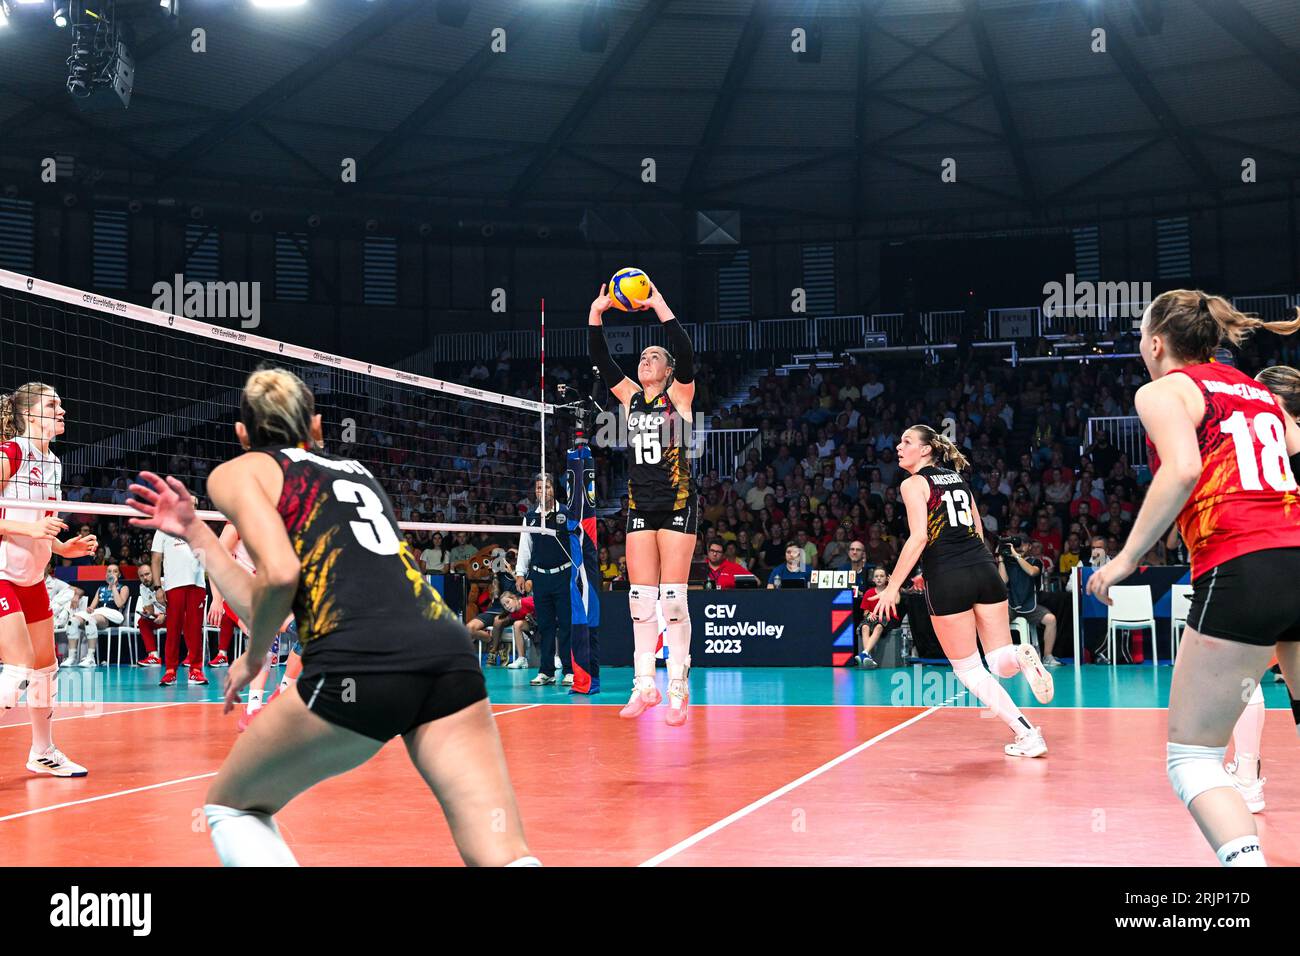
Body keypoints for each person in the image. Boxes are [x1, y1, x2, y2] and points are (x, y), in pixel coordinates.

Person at [127, 366, 535, 867]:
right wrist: (196, 532)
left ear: (242, 434)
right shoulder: (357, 472)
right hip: (446, 654)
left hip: (358, 665)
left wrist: (252, 661)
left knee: (232, 807)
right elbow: (271, 593)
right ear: (317, 428)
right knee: (503, 855)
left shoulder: (241, 470)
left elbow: (278, 577)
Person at [1087, 291, 1300, 867]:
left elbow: (1183, 468)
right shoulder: (1256, 389)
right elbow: (1293, 444)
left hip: (1242, 563)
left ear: (1156, 342)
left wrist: (1126, 558)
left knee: (1193, 758)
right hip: (1296, 547)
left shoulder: (1163, 390)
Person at [874, 425, 1054, 757]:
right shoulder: (958, 480)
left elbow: (919, 538)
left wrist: (892, 588)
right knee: (1000, 660)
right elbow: (977, 527)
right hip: (983, 569)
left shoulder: (912, 483)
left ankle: (1028, 734)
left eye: (907, 442)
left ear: (926, 450)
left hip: (947, 576)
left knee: (970, 669)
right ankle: (1021, 654)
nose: (898, 447)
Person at [589, 280, 698, 726]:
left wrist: (658, 305)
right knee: (640, 599)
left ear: (668, 370)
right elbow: (600, 359)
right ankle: (644, 685)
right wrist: (597, 313)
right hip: (638, 504)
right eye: (642, 356)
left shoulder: (680, 396)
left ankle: (678, 686)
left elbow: (686, 351)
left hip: (677, 502)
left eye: (654, 356)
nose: (645, 359)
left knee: (673, 601)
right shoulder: (631, 396)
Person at [0, 382, 98, 777]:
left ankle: (43, 752)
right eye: (52, 403)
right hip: (2, 575)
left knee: (44, 668)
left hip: (32, 577)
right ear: (30, 414)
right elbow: (21, 528)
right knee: (20, 668)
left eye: (60, 402)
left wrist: (62, 549)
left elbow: (36, 524)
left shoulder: (54, 463)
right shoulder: (11, 453)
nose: (62, 409)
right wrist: (32, 534)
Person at [1216, 364, 1300, 815]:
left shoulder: (1267, 443)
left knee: (1241, 675)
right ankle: (1246, 776)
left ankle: (1247, 778)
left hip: (1277, 572)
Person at [515, 474, 573, 686]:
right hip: (540, 578)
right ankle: (546, 670)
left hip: (564, 576)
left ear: (553, 490)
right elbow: (525, 547)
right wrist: (521, 573)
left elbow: (577, 544)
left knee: (566, 625)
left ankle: (569, 669)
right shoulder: (530, 517)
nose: (542, 491)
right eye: (539, 488)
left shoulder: (566, 513)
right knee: (546, 626)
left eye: (546, 487)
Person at [152, 504, 208, 686]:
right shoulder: (164, 528)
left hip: (197, 585)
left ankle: (196, 670)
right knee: (173, 629)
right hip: (173, 585)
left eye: (194, 505)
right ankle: (170, 671)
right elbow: (156, 559)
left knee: (194, 629)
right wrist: (157, 587)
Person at [996, 536, 1062, 667]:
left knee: (1051, 619)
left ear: (1029, 547)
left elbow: (1032, 572)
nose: (1021, 547)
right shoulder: (1009, 563)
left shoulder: (1035, 561)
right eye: (1018, 545)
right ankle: (1000, 657)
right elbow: (1003, 582)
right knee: (998, 621)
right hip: (1012, 605)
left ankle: (1047, 656)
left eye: (1024, 544)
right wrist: (1002, 561)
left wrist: (1016, 556)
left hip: (1030, 605)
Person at [66, 562, 128, 667]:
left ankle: (90, 658)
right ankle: (72, 657)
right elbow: (92, 607)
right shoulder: (100, 589)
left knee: (90, 620)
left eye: (115, 571)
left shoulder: (123, 588)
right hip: (98, 614)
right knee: (73, 621)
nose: (111, 573)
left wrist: (113, 586)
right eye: (109, 571)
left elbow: (119, 603)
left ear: (119, 575)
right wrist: (90, 609)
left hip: (113, 616)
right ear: (105, 575)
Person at [135, 562, 167, 667]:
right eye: (142, 576)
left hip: (178, 616)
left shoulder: (165, 583)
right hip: (164, 617)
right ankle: (153, 656)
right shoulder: (142, 588)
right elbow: (150, 609)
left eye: (147, 574)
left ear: (154, 573)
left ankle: (193, 655)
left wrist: (165, 615)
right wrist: (147, 613)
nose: (145, 578)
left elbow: (178, 606)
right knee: (143, 621)